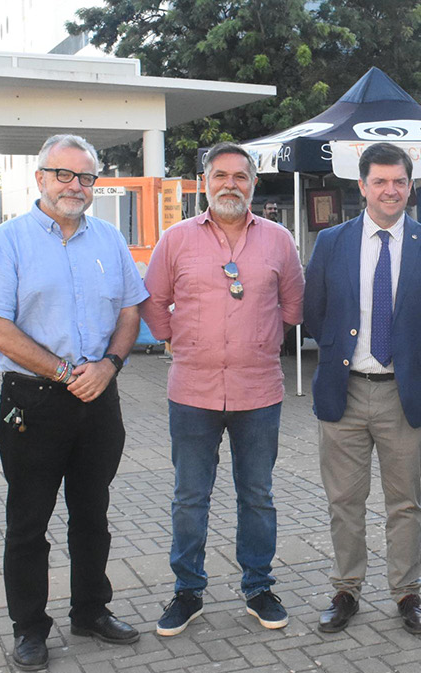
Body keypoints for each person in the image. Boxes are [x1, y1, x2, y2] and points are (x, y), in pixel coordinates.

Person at [0, 133, 149, 672]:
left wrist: (110, 366)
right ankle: (29, 627)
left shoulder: (110, 240)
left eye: (86, 177)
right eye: (64, 174)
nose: (75, 185)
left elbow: (131, 311)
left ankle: (91, 609)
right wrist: (70, 372)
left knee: (92, 514)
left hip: (100, 398)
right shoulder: (8, 241)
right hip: (34, 401)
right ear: (40, 178)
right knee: (28, 521)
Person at [141, 142, 305, 637]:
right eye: (220, 175)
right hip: (192, 391)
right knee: (190, 496)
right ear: (205, 183)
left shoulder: (279, 241)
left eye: (240, 176)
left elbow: (294, 307)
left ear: (254, 184)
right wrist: (183, 339)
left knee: (257, 495)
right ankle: (188, 591)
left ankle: (258, 586)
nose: (230, 184)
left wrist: (257, 338)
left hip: (259, 392)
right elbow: (154, 304)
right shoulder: (175, 240)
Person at [302, 143, 421, 635]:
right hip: (342, 392)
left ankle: (406, 593)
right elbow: (314, 312)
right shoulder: (332, 242)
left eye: (399, 181)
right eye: (380, 181)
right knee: (344, 500)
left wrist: (412, 361)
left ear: (410, 187)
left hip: (403, 395)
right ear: (362, 186)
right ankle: (346, 589)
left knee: (405, 503)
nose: (390, 190)